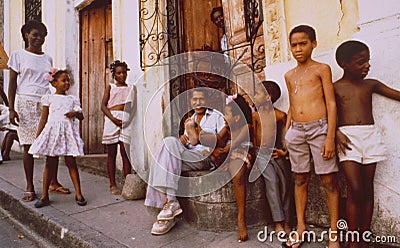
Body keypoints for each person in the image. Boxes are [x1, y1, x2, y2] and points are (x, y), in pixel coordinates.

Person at [334, 40, 400, 248]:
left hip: (370, 137)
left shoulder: (371, 84)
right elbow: (326, 113)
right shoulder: (334, 88)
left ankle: (364, 236)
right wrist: (335, 132)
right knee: (355, 189)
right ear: (344, 64)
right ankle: (353, 241)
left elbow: (397, 95)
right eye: (361, 62)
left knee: (367, 189)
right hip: (347, 138)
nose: (367, 66)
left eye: (368, 61)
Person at [283, 25, 339, 248]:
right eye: (294, 45)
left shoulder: (321, 69)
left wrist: (329, 137)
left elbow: (331, 103)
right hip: (296, 131)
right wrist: (288, 132)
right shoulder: (288, 75)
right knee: (299, 178)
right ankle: (301, 227)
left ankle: (334, 232)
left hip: (319, 130)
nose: (298, 49)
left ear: (314, 44)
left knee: (328, 180)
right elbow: (291, 105)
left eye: (303, 43)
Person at [145, 87, 226, 235]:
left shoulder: (216, 116)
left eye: (201, 99)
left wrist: (201, 134)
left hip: (205, 156)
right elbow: (185, 142)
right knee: (169, 145)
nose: (198, 102)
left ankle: (168, 204)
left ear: (207, 101)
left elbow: (221, 141)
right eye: (195, 99)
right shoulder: (190, 119)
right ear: (190, 101)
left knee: (164, 155)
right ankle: (170, 203)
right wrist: (183, 140)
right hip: (189, 154)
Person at [7, 20, 70, 201]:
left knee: (52, 143)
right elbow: (12, 83)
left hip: (45, 103)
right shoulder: (18, 55)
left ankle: (53, 182)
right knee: (28, 145)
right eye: (35, 34)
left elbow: (51, 83)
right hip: (25, 103)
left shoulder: (47, 58)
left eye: (42, 35)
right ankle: (30, 186)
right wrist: (11, 109)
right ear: (26, 35)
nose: (38, 38)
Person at [29, 69, 86, 208]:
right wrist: (39, 136)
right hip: (53, 133)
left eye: (68, 80)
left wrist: (75, 113)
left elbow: (81, 116)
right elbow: (44, 118)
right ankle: (44, 195)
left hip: (67, 133)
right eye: (63, 80)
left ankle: (79, 193)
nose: (67, 83)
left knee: (70, 161)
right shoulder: (49, 98)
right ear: (54, 83)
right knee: (50, 162)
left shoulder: (72, 99)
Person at [253, 81, 293, 237]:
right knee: (272, 183)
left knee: (285, 183)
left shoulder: (280, 115)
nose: (254, 96)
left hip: (277, 153)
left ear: (268, 97)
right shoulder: (255, 115)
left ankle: (288, 221)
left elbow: (288, 135)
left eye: (258, 93)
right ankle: (278, 222)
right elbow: (255, 138)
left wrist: (285, 152)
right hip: (262, 155)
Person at [215, 94, 253, 242]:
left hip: (241, 153)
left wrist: (220, 150)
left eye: (227, 113)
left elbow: (233, 145)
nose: (224, 116)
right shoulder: (227, 128)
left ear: (237, 117)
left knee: (238, 176)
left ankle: (241, 219)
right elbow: (217, 141)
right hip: (230, 155)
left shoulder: (246, 127)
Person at [101, 60, 136, 195]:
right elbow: (103, 106)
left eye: (124, 72)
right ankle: (112, 184)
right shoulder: (111, 87)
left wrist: (129, 120)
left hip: (126, 120)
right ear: (114, 74)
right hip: (112, 119)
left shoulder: (132, 88)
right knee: (111, 153)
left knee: (125, 151)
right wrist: (113, 118)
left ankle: (127, 183)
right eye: (119, 73)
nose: (122, 75)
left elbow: (133, 107)